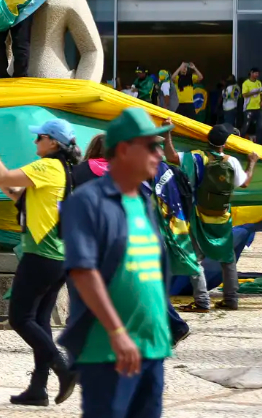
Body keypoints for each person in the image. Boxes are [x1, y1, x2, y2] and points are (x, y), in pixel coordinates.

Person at [60, 107, 176, 418]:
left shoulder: (143, 201)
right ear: (124, 150)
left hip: (152, 347)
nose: (159, 153)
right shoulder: (87, 202)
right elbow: (83, 272)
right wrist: (117, 331)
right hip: (108, 350)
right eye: (150, 146)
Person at [0, 118, 79, 406]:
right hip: (57, 257)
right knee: (39, 321)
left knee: (20, 318)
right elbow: (13, 192)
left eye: (40, 137)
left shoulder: (47, 166)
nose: (35, 141)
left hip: (41, 255)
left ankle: (63, 367)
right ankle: (38, 388)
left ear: (53, 142)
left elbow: (6, 176)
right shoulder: (60, 169)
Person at [163, 122, 258, 313]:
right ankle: (231, 299)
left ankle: (202, 301)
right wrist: (252, 162)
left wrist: (167, 133)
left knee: (195, 259)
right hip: (222, 217)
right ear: (225, 144)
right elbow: (245, 183)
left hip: (200, 216)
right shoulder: (232, 161)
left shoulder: (196, 157)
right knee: (228, 259)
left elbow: (171, 157)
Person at [241, 68, 262, 143]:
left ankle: (259, 143)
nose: (257, 75)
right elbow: (244, 95)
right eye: (255, 73)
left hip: (258, 108)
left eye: (258, 73)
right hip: (249, 108)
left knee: (259, 127)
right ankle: (241, 141)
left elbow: (261, 93)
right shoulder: (246, 83)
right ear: (251, 73)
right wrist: (254, 92)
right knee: (246, 126)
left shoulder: (259, 82)